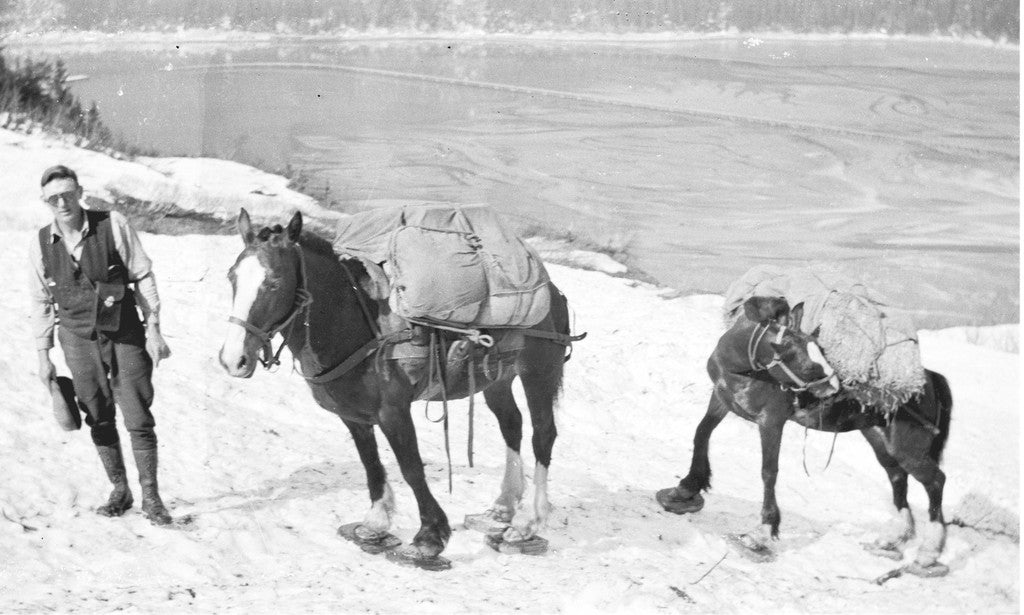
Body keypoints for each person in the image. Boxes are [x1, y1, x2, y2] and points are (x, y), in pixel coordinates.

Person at [29, 165, 174, 526]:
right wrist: (43, 355)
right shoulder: (41, 243)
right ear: (45, 201)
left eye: (67, 193)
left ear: (80, 192)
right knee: (96, 412)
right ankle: (120, 490)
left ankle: (152, 497)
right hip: (77, 338)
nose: (62, 202)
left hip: (124, 332)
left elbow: (142, 275)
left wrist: (154, 327)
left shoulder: (113, 224)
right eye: (53, 198)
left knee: (138, 413)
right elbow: (40, 302)